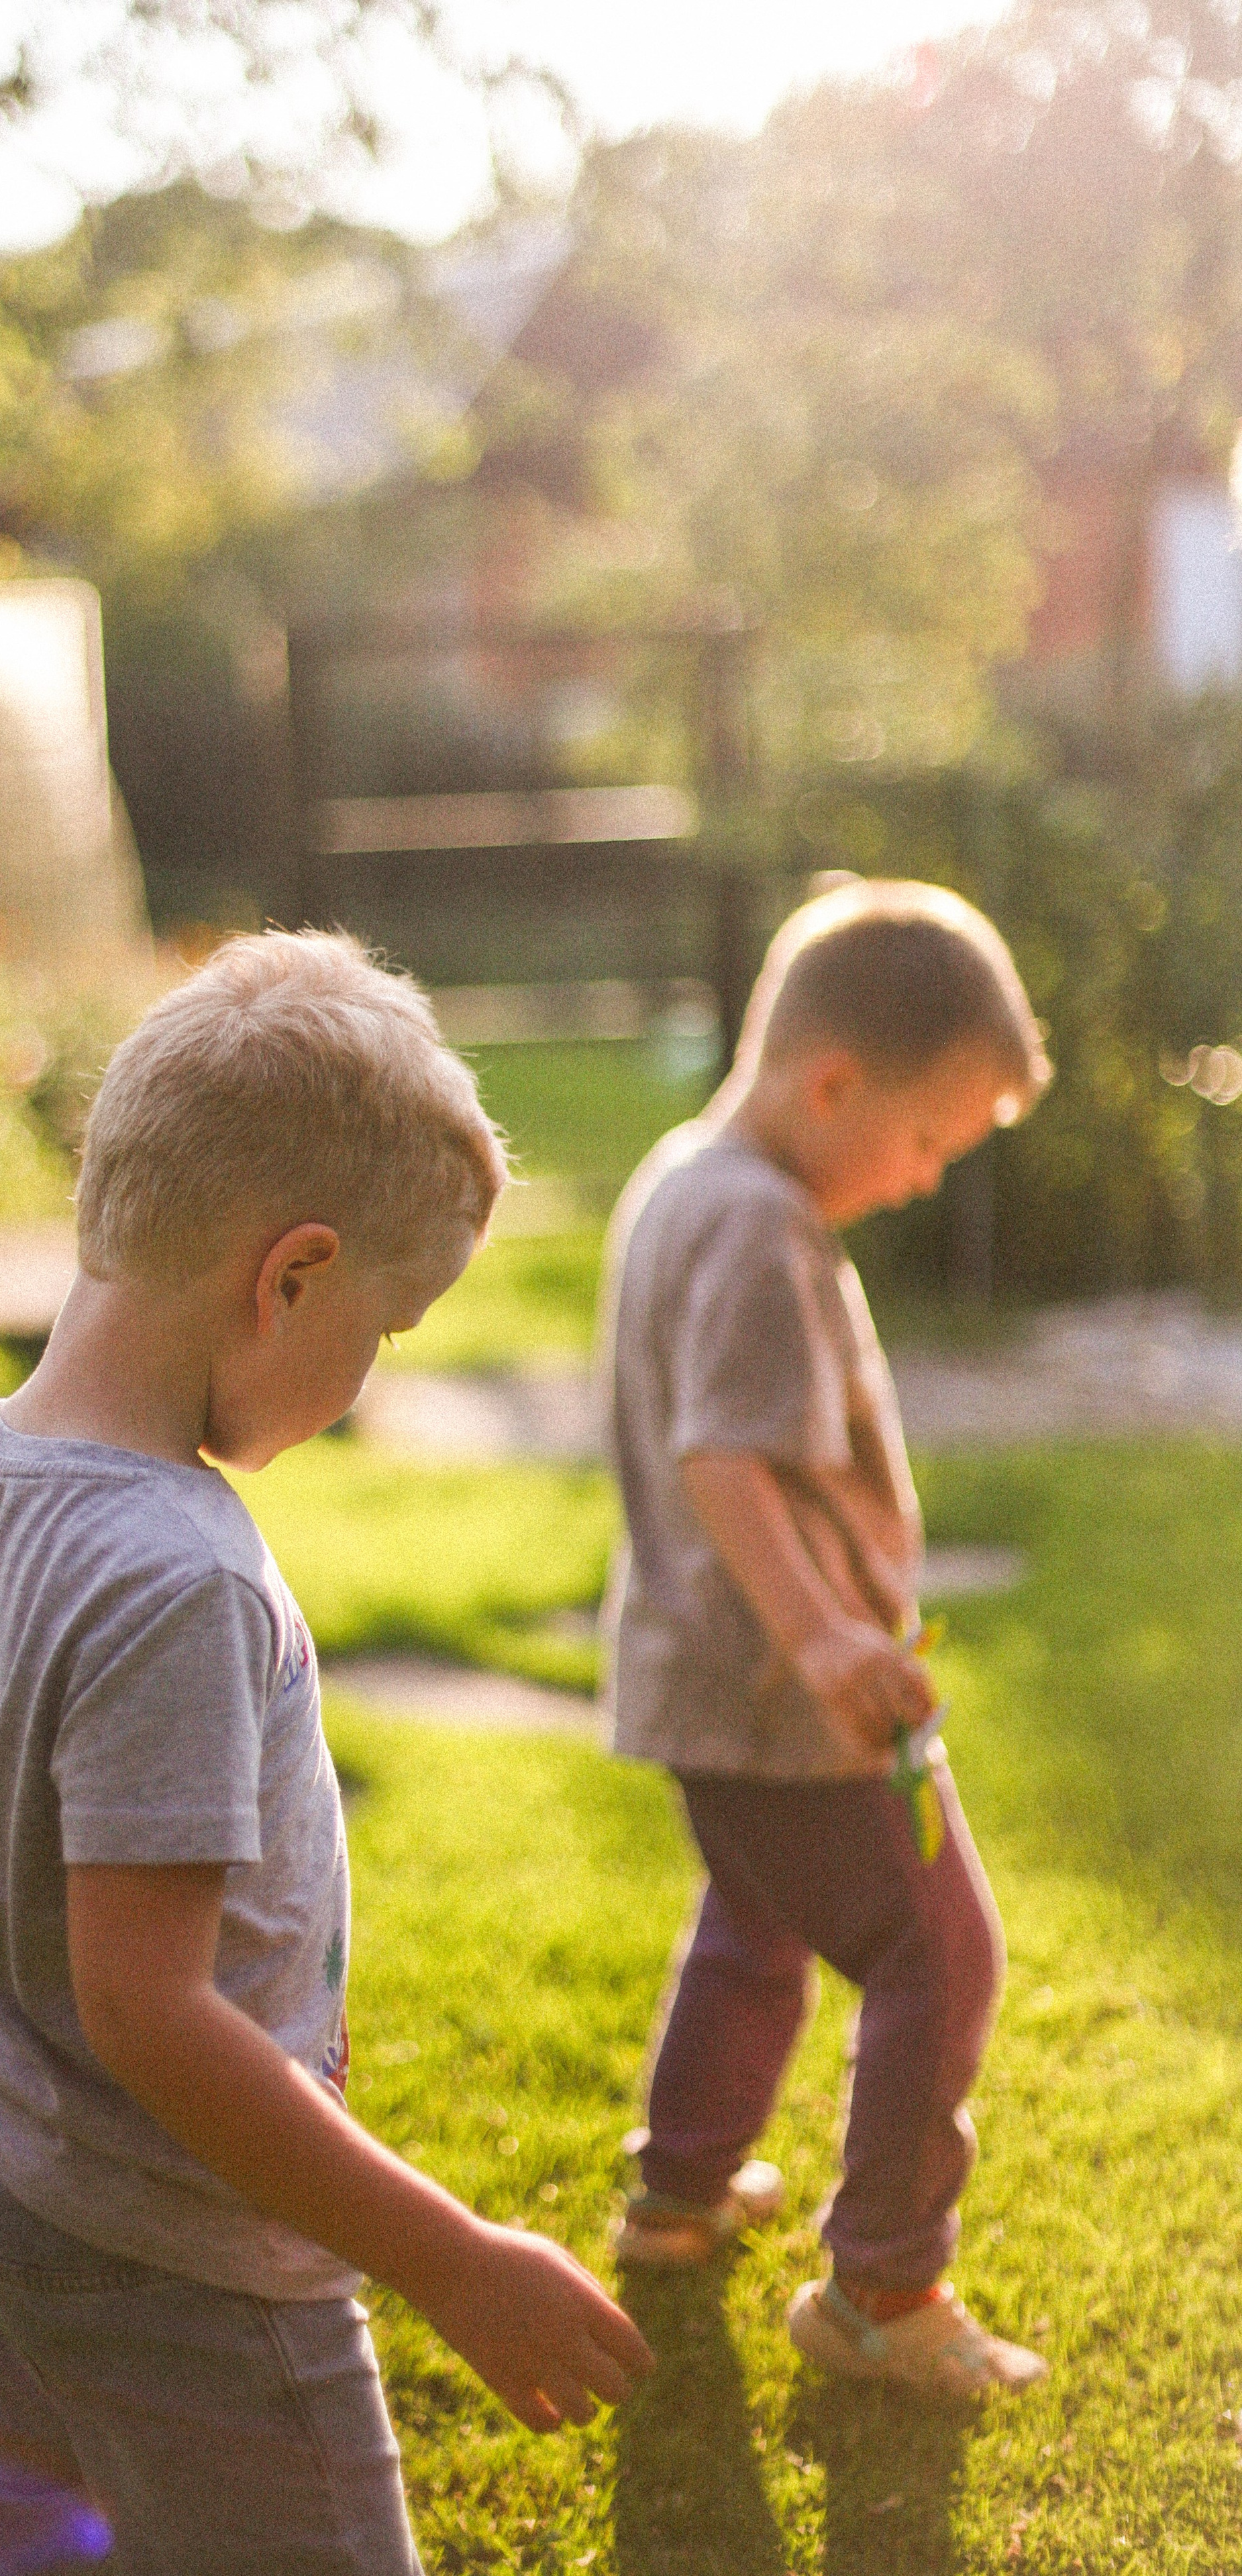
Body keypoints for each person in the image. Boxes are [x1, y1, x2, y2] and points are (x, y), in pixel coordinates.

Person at [0, 929, 654, 2576]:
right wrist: (450, 2259)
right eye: (383, 1332)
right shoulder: (178, 1576)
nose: (364, 1375)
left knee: (36, 2481)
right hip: (176, 2246)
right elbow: (150, 2012)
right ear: (290, 1276)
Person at [600, 877, 1052, 2400]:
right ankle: (882, 2290)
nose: (923, 1182)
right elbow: (723, 1459)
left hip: (697, 1690)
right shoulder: (760, 1228)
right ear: (833, 1082)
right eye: (927, 1141)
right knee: (941, 1953)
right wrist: (822, 1645)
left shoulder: (679, 1177)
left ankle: (676, 2196)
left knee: (757, 1926)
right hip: (789, 1699)